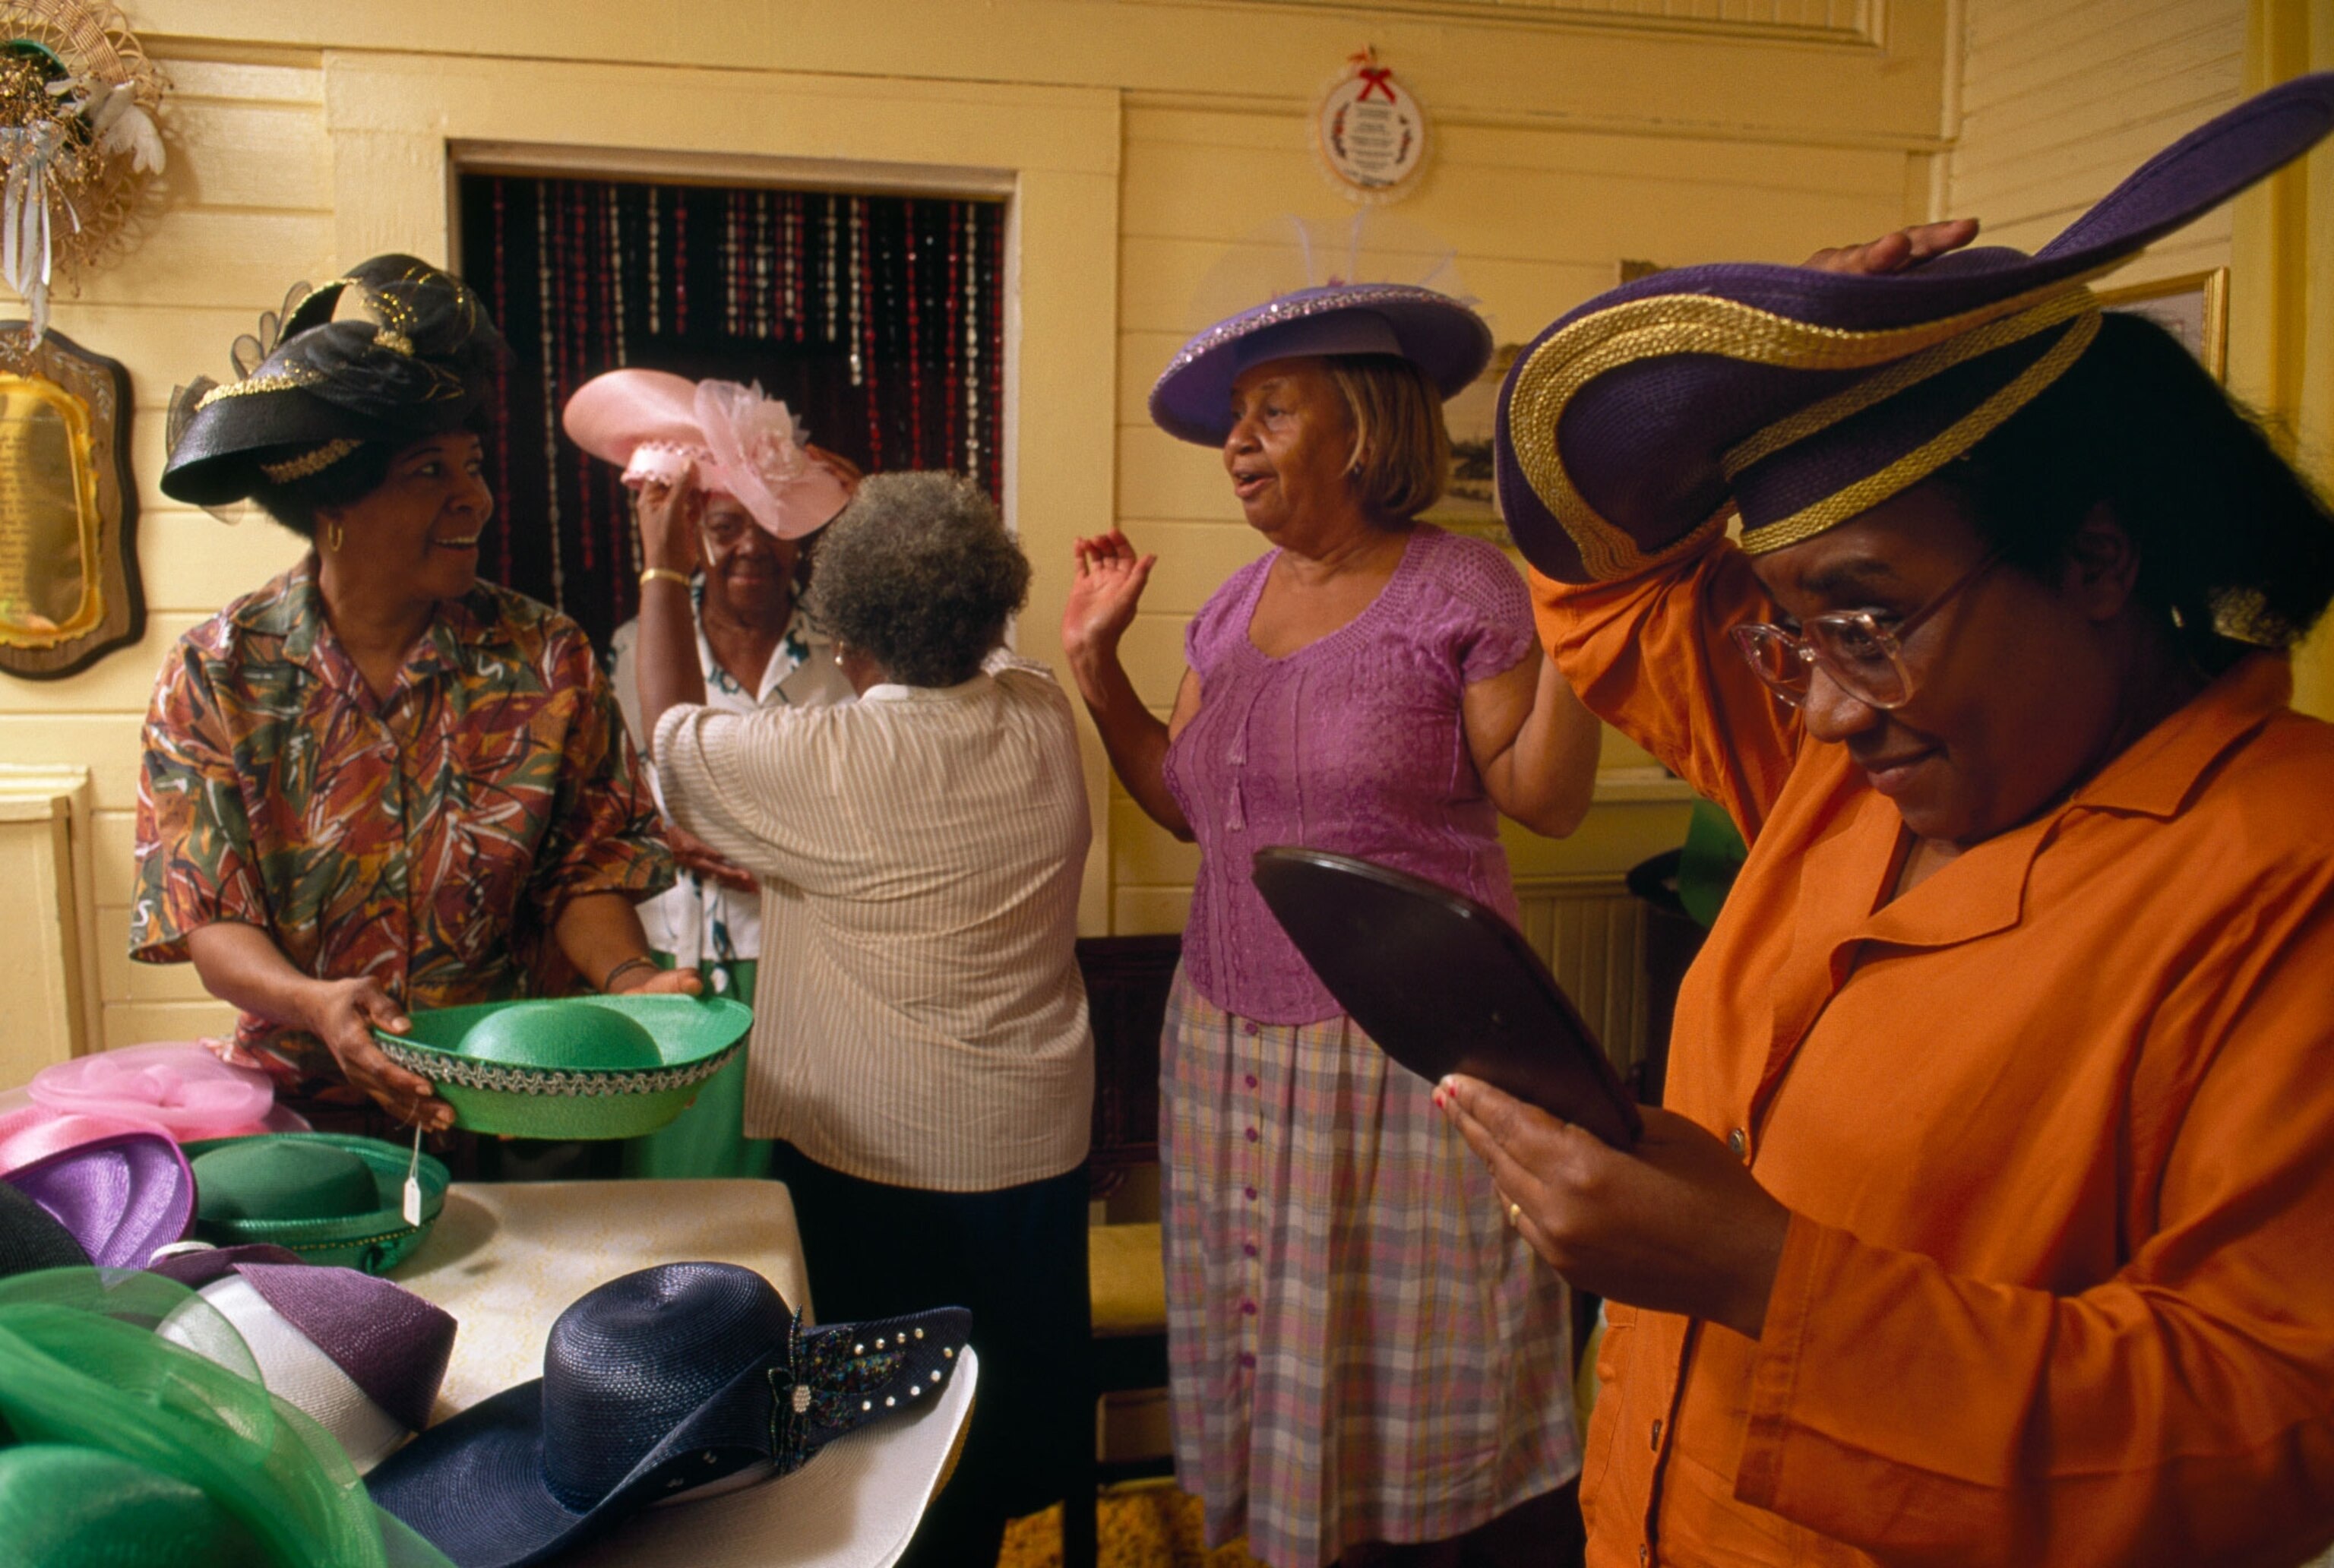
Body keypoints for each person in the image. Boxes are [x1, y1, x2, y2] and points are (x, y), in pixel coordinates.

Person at [1444, 77, 2334, 1568]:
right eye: (1788, 639)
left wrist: (1757, 1275)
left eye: (1867, 617)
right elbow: (1608, 597)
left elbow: (2269, 1424)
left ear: (2097, 558)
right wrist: (1762, 357)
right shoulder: (1848, 766)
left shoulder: (2282, 872)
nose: (1830, 712)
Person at [1062, 281, 1605, 1567]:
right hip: (1228, 1037)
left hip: (1402, 1056)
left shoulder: (1460, 587)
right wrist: (1098, 668)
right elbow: (1189, 805)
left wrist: (1588, 624)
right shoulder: (1226, 609)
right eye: (1235, 418)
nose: (1238, 443)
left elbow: (1547, 799)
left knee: (1415, 1371)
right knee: (1279, 1360)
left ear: (1361, 427)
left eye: (1272, 411)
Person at [634, 467, 1094, 1568]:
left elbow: (667, 732)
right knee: (989, 1444)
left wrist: (661, 567)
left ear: (844, 636)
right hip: (1028, 1154)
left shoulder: (829, 761)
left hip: (881, 1171)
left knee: (881, 1457)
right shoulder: (1039, 715)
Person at [138, 255, 691, 1136]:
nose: (475, 497)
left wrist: (631, 980)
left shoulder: (547, 660)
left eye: (473, 466)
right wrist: (314, 1001)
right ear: (333, 508)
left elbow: (585, 868)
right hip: (312, 1124)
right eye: (429, 472)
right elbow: (212, 915)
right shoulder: (217, 676)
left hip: (524, 1110)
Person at [566, 368, 860, 1178]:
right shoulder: (630, 651)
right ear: (696, 531)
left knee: (812, 1194)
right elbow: (599, 808)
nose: (750, 548)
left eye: (771, 525)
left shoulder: (846, 656)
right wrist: (664, 831)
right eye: (729, 524)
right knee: (686, 1202)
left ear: (799, 538)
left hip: (816, 963)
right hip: (680, 964)